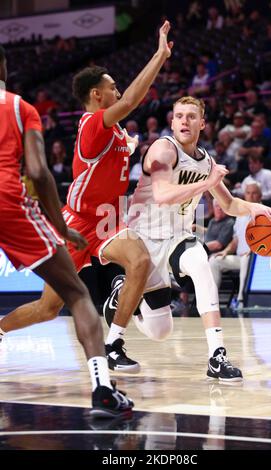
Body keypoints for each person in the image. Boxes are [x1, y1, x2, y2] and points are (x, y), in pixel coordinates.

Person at [0, 21, 173, 375]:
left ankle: (114, 344)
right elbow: (130, 101)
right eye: (112, 87)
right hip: (77, 220)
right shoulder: (91, 124)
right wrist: (159, 56)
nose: (117, 90)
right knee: (48, 308)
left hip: (107, 220)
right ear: (97, 95)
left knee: (138, 261)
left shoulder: (117, 131)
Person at [103, 96, 271, 382]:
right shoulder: (163, 149)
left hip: (178, 237)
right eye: (179, 116)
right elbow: (162, 195)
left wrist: (255, 208)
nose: (184, 121)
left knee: (201, 264)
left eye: (191, 116)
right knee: (160, 332)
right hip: (143, 240)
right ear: (172, 122)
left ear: (202, 123)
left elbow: (227, 205)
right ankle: (124, 296)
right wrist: (208, 183)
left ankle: (217, 357)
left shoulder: (206, 161)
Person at [0, 44, 133, 417]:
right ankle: (103, 389)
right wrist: (60, 226)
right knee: (74, 298)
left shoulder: (112, 129)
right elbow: (40, 173)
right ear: (3, 68)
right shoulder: (20, 107)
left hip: (106, 219)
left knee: (50, 306)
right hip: (19, 205)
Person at [209, 181, 263, 309]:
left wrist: (252, 251)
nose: (251, 196)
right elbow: (236, 239)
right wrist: (226, 251)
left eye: (254, 193)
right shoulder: (241, 215)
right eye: (248, 193)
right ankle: (212, 301)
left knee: (246, 259)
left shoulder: (264, 214)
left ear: (260, 196)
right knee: (214, 260)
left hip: (256, 260)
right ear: (245, 195)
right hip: (239, 257)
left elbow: (267, 240)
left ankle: (241, 300)